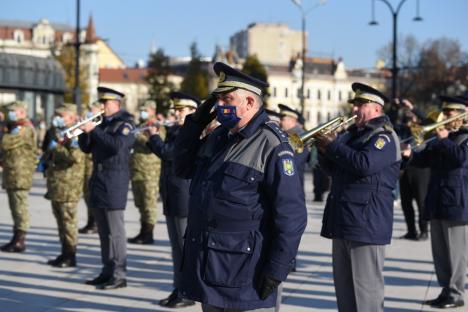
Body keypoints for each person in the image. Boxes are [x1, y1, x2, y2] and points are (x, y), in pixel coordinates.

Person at [173, 62, 307, 311]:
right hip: (210, 266)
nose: (219, 106)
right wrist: (195, 124)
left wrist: (277, 269)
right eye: (218, 99)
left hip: (246, 272)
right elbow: (181, 168)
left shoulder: (272, 144)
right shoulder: (219, 137)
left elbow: (292, 216)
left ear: (249, 103)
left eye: (227, 99)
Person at [315, 82, 401, 312]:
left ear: (376, 107)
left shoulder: (384, 136)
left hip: (366, 223)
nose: (354, 109)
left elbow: (364, 165)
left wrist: (333, 147)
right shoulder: (352, 136)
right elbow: (335, 170)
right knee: (345, 293)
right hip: (344, 220)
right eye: (355, 104)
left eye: (360, 104)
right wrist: (323, 151)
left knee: (367, 295)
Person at [402, 95, 467, 309]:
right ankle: (445, 290)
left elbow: (460, 159)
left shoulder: (463, 137)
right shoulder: (444, 138)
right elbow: (424, 160)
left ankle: (456, 293)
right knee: (440, 252)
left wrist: (444, 140)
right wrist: (410, 155)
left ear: (461, 115)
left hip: (457, 203)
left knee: (456, 254)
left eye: (449, 113)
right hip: (438, 200)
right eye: (445, 112)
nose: (444, 116)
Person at [78, 87, 135, 290]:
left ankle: (120, 274)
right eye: (101, 103)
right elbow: (86, 148)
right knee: (103, 231)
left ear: (116, 104)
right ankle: (107, 270)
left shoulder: (126, 124)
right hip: (99, 180)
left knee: (116, 232)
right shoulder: (103, 124)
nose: (101, 106)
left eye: (105, 103)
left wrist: (94, 130)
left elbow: (117, 146)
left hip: (114, 181)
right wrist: (84, 131)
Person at [146, 91, 198, 308]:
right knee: (176, 248)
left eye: (181, 110)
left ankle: (186, 292)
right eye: (175, 110)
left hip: (183, 196)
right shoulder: (178, 130)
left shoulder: (192, 132)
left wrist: (154, 138)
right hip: (171, 194)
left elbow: (170, 154)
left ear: (193, 112)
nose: (176, 113)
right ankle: (179, 288)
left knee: (183, 248)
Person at [44, 103, 85, 267]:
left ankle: (71, 255)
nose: (58, 118)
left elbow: (76, 158)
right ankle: (64, 252)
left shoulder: (76, 134)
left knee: (68, 221)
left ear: (72, 117)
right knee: (60, 220)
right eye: (57, 115)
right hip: (57, 183)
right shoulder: (59, 132)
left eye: (62, 115)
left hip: (69, 184)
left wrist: (57, 149)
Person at [0, 101, 37, 253]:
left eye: (13, 111)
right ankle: (16, 238)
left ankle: (20, 240)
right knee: (15, 207)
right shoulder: (14, 127)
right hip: (13, 174)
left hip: (20, 175)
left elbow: (5, 143)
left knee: (20, 208)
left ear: (22, 112)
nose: (10, 114)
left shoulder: (23, 128)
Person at [128, 100, 162, 244]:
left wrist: (139, 137)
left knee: (149, 204)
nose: (143, 112)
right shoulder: (140, 125)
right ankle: (143, 231)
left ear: (152, 110)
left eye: (145, 110)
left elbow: (156, 144)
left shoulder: (157, 125)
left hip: (150, 172)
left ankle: (149, 234)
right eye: (142, 109)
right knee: (140, 203)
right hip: (137, 170)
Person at [79, 101, 102, 234]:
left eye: (92, 110)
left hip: (93, 164)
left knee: (92, 194)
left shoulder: (98, 127)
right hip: (85, 164)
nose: (89, 112)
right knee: (87, 194)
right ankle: (91, 221)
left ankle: (95, 222)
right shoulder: (89, 124)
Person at [278, 104, 311, 187]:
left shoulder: (297, 136)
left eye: (283, 119)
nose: (280, 122)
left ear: (292, 120)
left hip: (293, 183)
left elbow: (297, 160)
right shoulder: (286, 134)